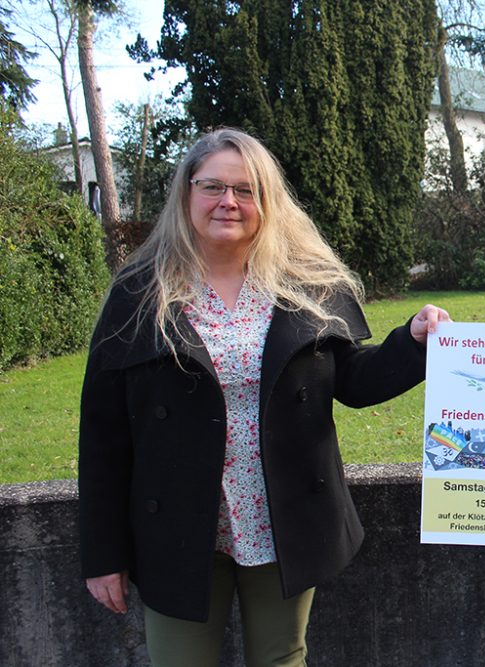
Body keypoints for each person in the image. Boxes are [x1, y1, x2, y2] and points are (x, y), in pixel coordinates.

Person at [78, 127, 449, 666]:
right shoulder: (138, 294)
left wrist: (412, 342)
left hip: (282, 516)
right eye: (212, 187)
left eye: (246, 189)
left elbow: (355, 381)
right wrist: (103, 553)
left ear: (267, 201)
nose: (229, 202)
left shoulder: (306, 284)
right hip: (178, 525)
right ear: (186, 195)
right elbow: (103, 434)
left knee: (282, 658)